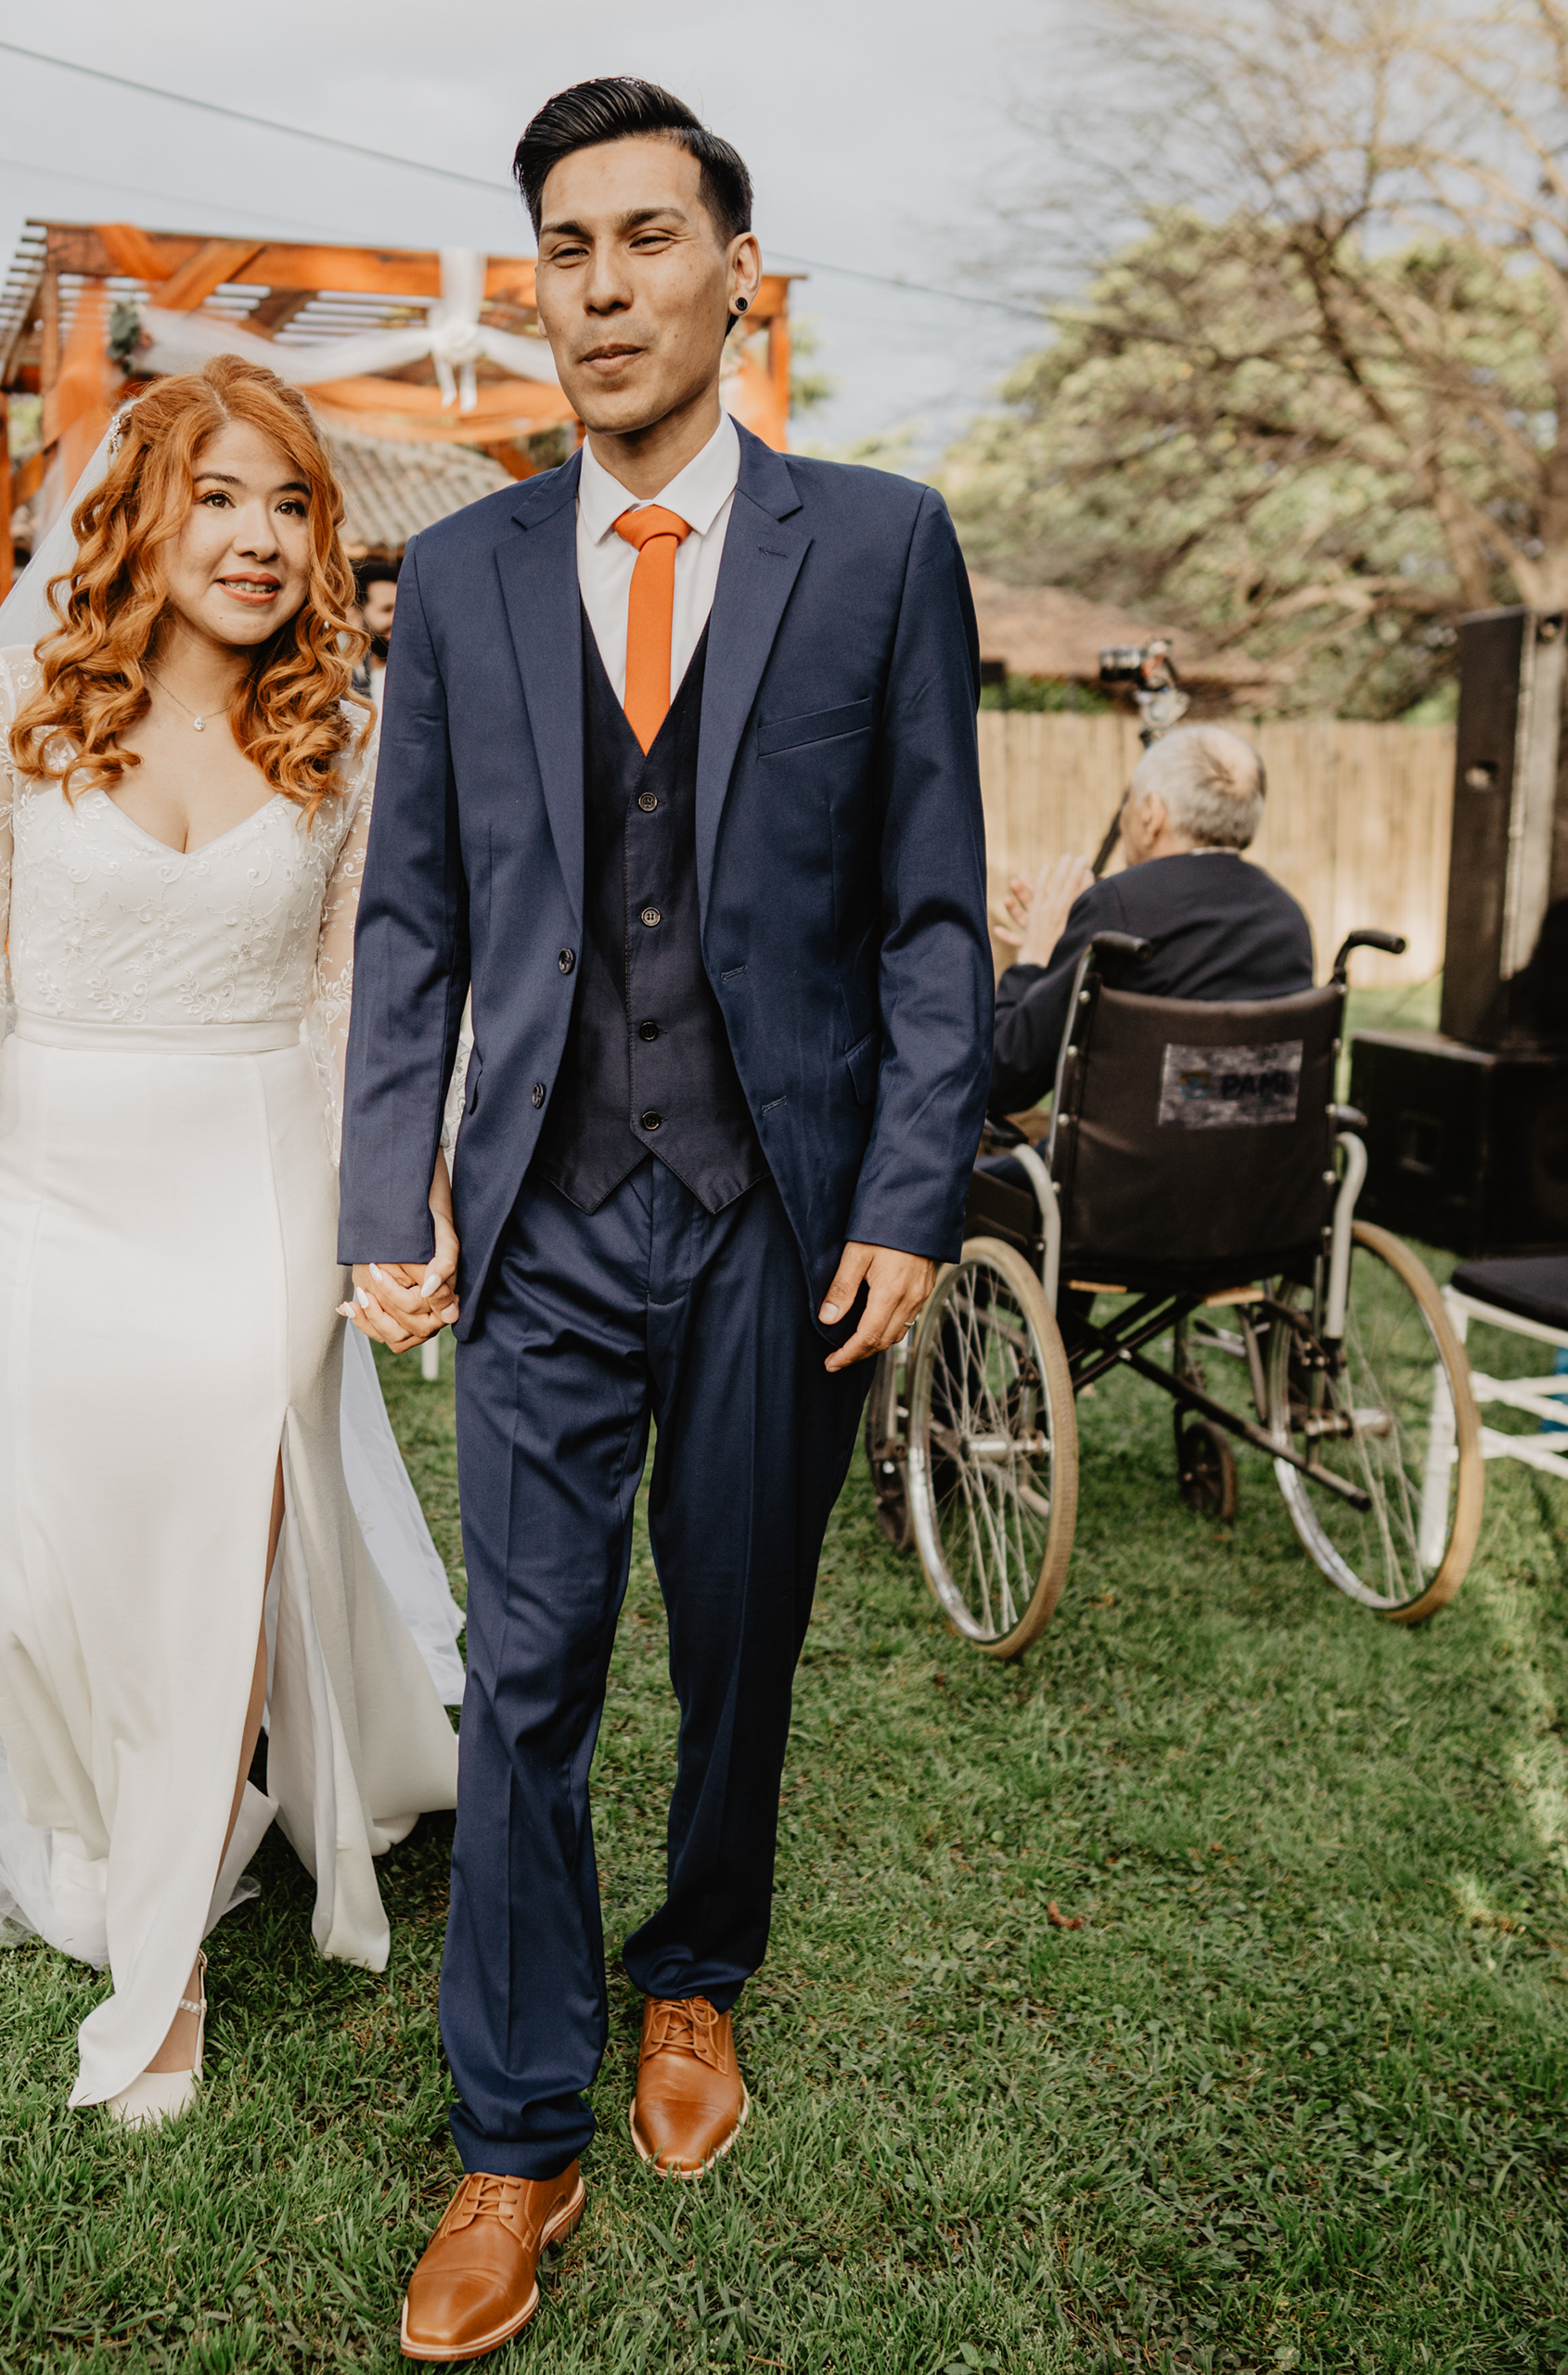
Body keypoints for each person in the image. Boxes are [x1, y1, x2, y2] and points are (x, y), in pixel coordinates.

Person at [341, 79, 992, 2363]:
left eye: (644, 238)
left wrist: (911, 1189)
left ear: (738, 274)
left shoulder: (881, 546)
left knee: (738, 1634)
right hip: (537, 1217)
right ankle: (513, 2128)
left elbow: (934, 914)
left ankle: (694, 1966)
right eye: (564, 248)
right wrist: (383, 1185)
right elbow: (413, 915)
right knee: (524, 1673)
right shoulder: (463, 573)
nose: (601, 287)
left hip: (776, 1216)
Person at [0, 355, 460, 2131]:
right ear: (143, 515)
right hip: (41, 1183)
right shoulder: (22, 707)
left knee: (207, 1558)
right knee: (46, 1577)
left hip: (254, 1183)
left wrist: (399, 1203)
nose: (259, 538)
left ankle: (163, 1968)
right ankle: (129, 1819)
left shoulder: (343, 736)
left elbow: (355, 1006)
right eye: (221, 498)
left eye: (291, 506)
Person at [983, 724, 1310, 1112]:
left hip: (1122, 1154)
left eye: (1130, 801)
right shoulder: (1289, 918)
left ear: (1152, 815)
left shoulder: (1117, 907)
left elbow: (1001, 1077)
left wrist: (1037, 957)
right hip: (1263, 1153)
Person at [349, 553, 400, 698]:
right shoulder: (337, 683)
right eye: (387, 610)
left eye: (401, 610)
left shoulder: (415, 674)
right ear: (353, 614)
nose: (398, 619)